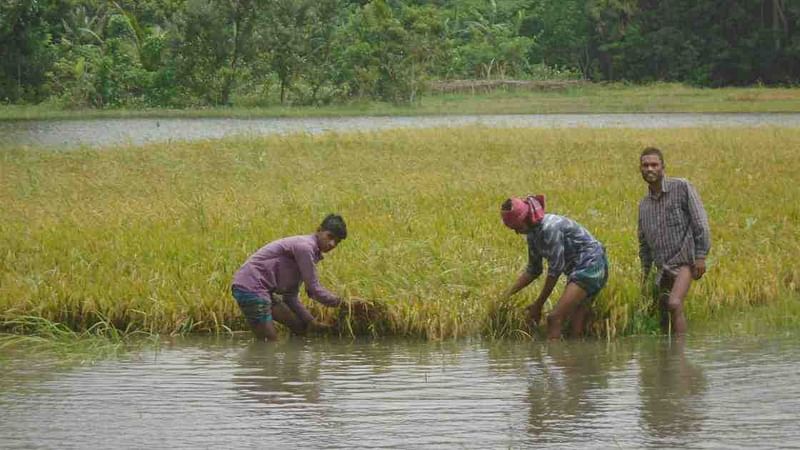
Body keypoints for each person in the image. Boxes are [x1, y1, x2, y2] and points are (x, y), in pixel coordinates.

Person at [498, 195, 609, 340]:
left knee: (554, 318)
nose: (517, 232)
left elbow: (555, 270)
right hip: (578, 270)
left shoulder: (550, 228)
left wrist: (538, 304)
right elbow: (533, 269)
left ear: (526, 218)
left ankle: (553, 359)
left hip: (591, 265)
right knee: (575, 327)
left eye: (517, 227)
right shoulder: (532, 234)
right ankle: (580, 359)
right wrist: (505, 296)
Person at [231, 213, 351, 341]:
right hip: (251, 288)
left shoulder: (310, 252)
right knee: (269, 343)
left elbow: (290, 296)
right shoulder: (305, 247)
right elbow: (314, 289)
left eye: (337, 242)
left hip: (263, 291)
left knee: (300, 328)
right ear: (319, 230)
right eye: (330, 237)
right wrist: (343, 303)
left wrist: (311, 322)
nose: (332, 244)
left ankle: (292, 360)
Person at [638, 147, 711, 337]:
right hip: (662, 267)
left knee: (674, 303)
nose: (650, 169)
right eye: (645, 165)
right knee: (662, 313)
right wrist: (645, 275)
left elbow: (700, 222)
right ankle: (666, 361)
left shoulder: (681, 187)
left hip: (685, 261)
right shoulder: (644, 205)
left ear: (663, 167)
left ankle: (679, 357)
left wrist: (701, 256)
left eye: (654, 164)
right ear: (640, 169)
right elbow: (644, 244)